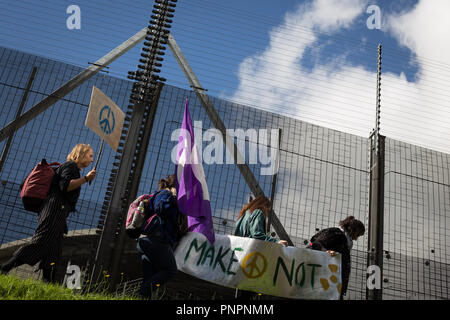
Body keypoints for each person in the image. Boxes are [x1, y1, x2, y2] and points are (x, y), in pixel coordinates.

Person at [0, 144, 96, 282]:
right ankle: (5, 267)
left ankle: (47, 284)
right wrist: (86, 179)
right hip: (55, 208)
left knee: (54, 251)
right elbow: (66, 186)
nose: (92, 160)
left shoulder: (72, 168)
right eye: (90, 155)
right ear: (80, 154)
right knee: (42, 241)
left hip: (59, 211)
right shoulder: (70, 166)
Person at [136, 174, 180, 299]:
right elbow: (160, 208)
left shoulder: (161, 195)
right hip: (156, 240)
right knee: (170, 270)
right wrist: (173, 196)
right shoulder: (165, 194)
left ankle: (143, 296)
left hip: (148, 240)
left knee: (149, 277)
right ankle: (141, 293)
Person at [307, 216, 365, 300]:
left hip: (331, 283)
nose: (356, 239)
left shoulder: (343, 240)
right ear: (352, 229)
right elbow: (314, 244)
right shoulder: (337, 234)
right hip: (324, 282)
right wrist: (325, 251)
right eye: (357, 235)